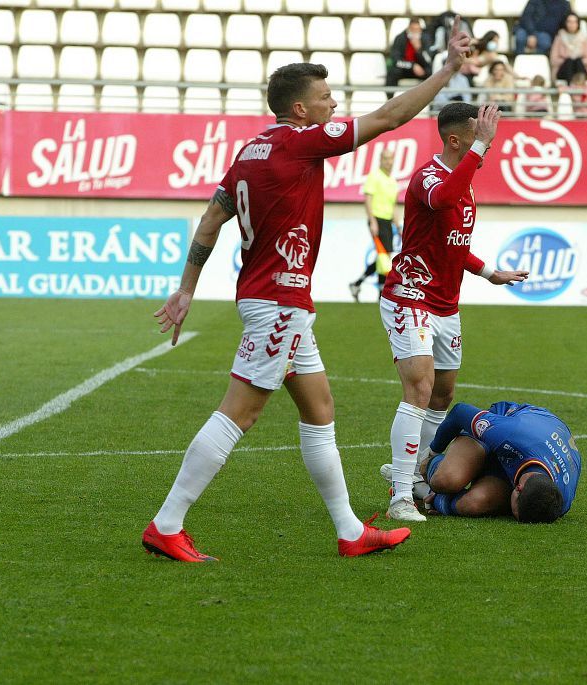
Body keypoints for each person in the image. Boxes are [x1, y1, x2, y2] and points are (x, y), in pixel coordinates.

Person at [142, 23, 473, 562]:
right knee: (239, 414)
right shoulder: (301, 144)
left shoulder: (250, 152)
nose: (333, 103)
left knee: (320, 411)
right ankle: (166, 522)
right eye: (324, 97)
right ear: (299, 110)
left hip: (277, 299)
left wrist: (186, 289)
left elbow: (210, 221)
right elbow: (390, 118)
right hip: (277, 302)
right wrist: (448, 71)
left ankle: (348, 531)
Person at [378, 103, 529, 521]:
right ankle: (401, 494)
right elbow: (443, 199)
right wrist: (481, 146)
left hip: (446, 305)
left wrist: (488, 273)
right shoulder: (429, 177)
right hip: (410, 295)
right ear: (455, 139)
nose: (488, 147)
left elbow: (454, 242)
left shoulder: (468, 182)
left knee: (443, 395)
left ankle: (414, 469)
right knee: (420, 389)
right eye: (479, 137)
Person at [416, 401, 581, 522]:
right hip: (505, 426)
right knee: (445, 480)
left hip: (521, 456)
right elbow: (460, 412)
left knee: (474, 503)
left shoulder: (559, 502)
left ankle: (428, 495)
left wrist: (440, 502)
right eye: (512, 512)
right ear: (518, 488)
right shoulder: (510, 435)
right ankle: (426, 471)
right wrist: (432, 451)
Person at [349, 149, 399, 302]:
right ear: (380, 160)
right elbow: (368, 199)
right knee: (384, 257)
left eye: (391, 159)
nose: (388, 162)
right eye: (386, 159)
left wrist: (399, 225)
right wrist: (372, 220)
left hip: (387, 222)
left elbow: (394, 205)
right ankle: (381, 294)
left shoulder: (393, 181)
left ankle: (357, 284)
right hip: (377, 219)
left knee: (383, 257)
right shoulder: (374, 176)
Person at [386, 18, 431, 95]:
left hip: (421, 69)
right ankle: (389, 98)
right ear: (409, 29)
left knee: (430, 73)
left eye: (418, 30)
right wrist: (412, 66)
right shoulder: (400, 38)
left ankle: (429, 100)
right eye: (413, 30)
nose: (416, 32)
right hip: (404, 69)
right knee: (393, 72)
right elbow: (396, 61)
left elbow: (428, 61)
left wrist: (419, 50)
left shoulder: (426, 39)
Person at [550, 13, 587, 83]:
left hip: (580, 67)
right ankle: (571, 87)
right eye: (569, 22)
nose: (572, 24)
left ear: (578, 24)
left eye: (574, 22)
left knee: (578, 61)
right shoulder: (559, 37)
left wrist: (576, 61)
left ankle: (580, 86)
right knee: (569, 61)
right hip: (563, 69)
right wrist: (567, 59)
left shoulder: (583, 38)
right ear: (565, 23)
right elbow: (553, 59)